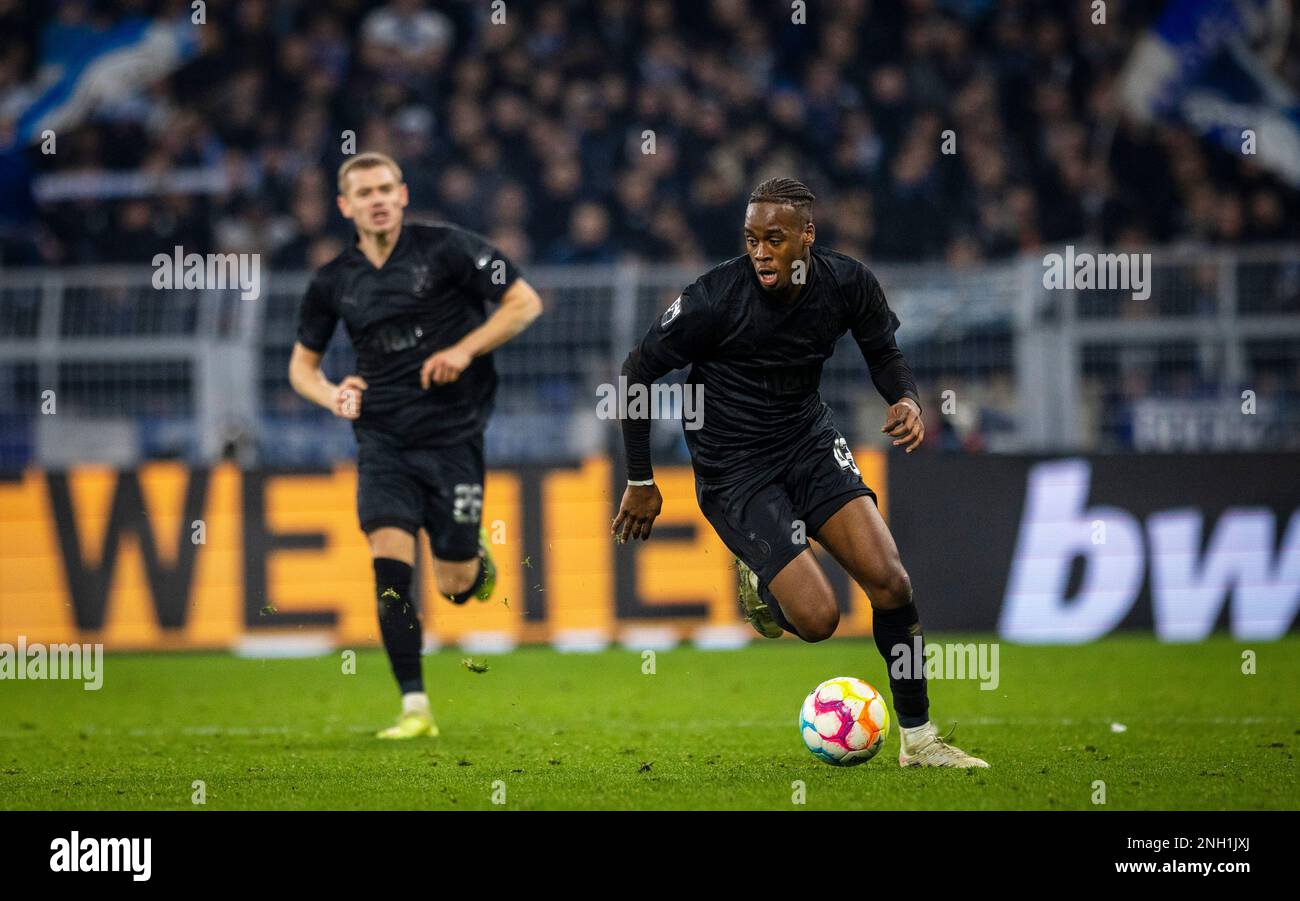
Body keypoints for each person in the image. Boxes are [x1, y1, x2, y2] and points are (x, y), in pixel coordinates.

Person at [612, 177, 987, 768]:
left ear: (807, 236)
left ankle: (919, 739)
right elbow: (635, 373)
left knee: (892, 583)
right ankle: (762, 578)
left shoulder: (847, 282)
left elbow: (883, 353)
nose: (760, 251)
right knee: (817, 621)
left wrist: (908, 400)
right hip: (735, 469)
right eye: (751, 239)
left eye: (774, 238)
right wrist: (640, 479)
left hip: (808, 442)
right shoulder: (713, 299)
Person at [289, 152, 542, 739]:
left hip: (453, 435)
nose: (377, 199)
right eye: (364, 192)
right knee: (390, 570)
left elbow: (525, 302)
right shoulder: (332, 281)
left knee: (454, 587)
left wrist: (464, 350)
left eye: (385, 188)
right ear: (344, 206)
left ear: (402, 195)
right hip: (381, 438)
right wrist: (333, 396)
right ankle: (415, 707)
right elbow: (301, 369)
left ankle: (469, 555)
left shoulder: (451, 249)